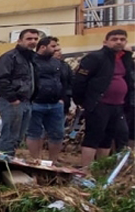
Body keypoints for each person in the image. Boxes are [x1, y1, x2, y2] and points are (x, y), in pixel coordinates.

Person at [72, 29, 135, 168]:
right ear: (105, 42)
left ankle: (100, 168)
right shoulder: (95, 58)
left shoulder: (125, 59)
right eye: (114, 39)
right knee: (93, 137)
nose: (119, 41)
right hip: (98, 104)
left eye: (122, 39)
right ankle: (86, 169)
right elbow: (79, 82)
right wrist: (83, 102)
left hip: (118, 106)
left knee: (107, 138)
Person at [0, 28, 39, 156]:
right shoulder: (9, 57)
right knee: (9, 136)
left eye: (35, 39)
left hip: (26, 102)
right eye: (29, 39)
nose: (33, 41)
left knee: (18, 137)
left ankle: (10, 161)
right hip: (11, 102)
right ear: (19, 40)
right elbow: (0, 80)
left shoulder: (31, 59)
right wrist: (13, 99)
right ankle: (3, 165)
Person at [26, 37, 71, 162]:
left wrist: (62, 98)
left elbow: (63, 81)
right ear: (43, 47)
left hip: (55, 104)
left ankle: (53, 161)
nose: (56, 49)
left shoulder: (57, 63)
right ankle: (36, 160)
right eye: (53, 46)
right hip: (36, 103)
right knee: (35, 133)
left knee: (57, 133)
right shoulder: (31, 61)